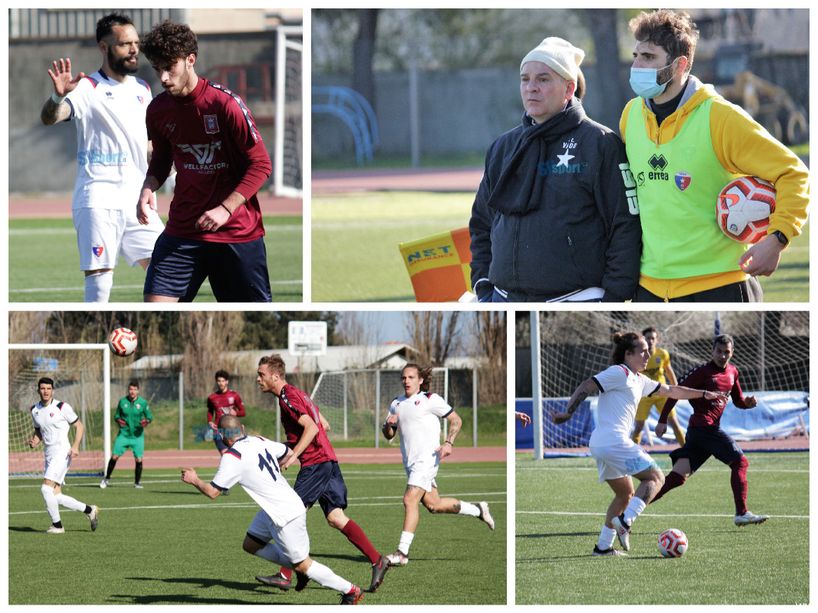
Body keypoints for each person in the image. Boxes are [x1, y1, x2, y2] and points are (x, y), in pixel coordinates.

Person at [621, 9, 810, 302]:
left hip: (721, 285)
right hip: (649, 287)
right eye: (636, 55)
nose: (636, 65)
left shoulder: (721, 118)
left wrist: (778, 239)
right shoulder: (630, 115)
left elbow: (794, 173)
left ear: (679, 64)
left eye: (648, 57)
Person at [469, 37, 641, 302]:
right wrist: (482, 284)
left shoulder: (600, 144)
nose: (531, 88)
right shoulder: (503, 147)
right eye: (525, 79)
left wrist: (613, 298)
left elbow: (625, 226)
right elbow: (482, 223)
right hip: (502, 299)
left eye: (543, 79)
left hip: (576, 300)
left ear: (569, 88)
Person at [551, 332, 725, 555]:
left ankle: (603, 547)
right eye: (642, 351)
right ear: (628, 354)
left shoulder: (639, 380)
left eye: (648, 350)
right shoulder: (619, 372)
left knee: (625, 494)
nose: (647, 354)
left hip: (602, 443)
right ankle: (625, 522)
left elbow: (672, 390)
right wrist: (567, 412)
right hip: (613, 441)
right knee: (657, 477)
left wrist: (703, 394)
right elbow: (588, 385)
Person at [137, 20, 273, 302]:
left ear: (190, 60)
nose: (162, 78)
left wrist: (225, 209)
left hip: (235, 233)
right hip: (182, 232)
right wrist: (150, 184)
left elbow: (261, 165)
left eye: (169, 67)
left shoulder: (225, 105)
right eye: (156, 69)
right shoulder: (158, 110)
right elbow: (163, 157)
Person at [40, 12, 164, 302]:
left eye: (136, 42)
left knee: (167, 272)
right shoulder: (87, 88)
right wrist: (58, 97)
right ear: (104, 47)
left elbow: (144, 145)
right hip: (99, 199)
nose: (134, 49)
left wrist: (168, 162)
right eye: (125, 44)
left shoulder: (143, 90)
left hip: (138, 203)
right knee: (100, 285)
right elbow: (52, 117)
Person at [181, 415, 363, 604]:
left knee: (303, 565)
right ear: (242, 428)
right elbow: (286, 452)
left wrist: (194, 480)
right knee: (251, 544)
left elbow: (212, 492)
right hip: (274, 508)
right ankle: (298, 569)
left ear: (223, 435)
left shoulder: (232, 456)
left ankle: (350, 590)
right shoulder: (258, 440)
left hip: (285, 514)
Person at [255, 355, 389, 593]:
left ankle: (287, 573)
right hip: (328, 461)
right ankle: (377, 559)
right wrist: (283, 447)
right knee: (336, 517)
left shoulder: (287, 397)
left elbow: (313, 427)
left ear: (275, 376)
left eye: (261, 374)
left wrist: (294, 454)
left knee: (287, 514)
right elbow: (324, 425)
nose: (258, 379)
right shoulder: (299, 394)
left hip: (316, 465)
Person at [381, 364, 495, 566]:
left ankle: (401, 553)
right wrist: (388, 425)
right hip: (410, 463)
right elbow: (389, 435)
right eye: (404, 378)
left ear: (420, 380)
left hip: (427, 460)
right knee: (434, 505)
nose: (406, 381)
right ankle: (478, 509)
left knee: (409, 500)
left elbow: (456, 420)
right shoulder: (396, 403)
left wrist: (449, 443)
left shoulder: (430, 399)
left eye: (411, 377)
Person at [650, 334, 769, 526]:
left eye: (726, 352)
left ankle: (629, 510)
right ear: (712, 351)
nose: (722, 356)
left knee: (676, 478)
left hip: (703, 432)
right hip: (702, 427)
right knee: (740, 462)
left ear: (732, 352)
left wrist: (746, 403)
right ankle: (742, 512)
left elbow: (738, 400)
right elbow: (675, 391)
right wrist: (662, 420)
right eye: (719, 351)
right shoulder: (702, 372)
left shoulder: (733, 372)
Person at [27, 377, 99, 533]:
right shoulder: (34, 410)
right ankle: (89, 510)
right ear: (38, 390)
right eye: (42, 388)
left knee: (46, 489)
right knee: (56, 495)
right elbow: (39, 431)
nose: (45, 391)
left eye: (48, 388)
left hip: (63, 452)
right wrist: (35, 441)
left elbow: (79, 426)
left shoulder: (62, 407)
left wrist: (75, 446)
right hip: (49, 455)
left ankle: (57, 526)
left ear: (53, 390)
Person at [631, 327, 685, 446]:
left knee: (674, 423)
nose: (650, 341)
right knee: (638, 427)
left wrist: (676, 389)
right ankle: (632, 454)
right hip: (644, 396)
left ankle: (687, 451)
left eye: (653, 338)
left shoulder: (662, 354)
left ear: (657, 340)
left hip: (662, 394)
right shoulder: (637, 356)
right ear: (643, 340)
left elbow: (669, 372)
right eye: (647, 338)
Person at [100, 380, 153, 488]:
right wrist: (118, 420)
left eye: (134, 389)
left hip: (137, 436)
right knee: (114, 456)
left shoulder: (142, 403)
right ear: (128, 390)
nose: (132, 391)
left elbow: (149, 417)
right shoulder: (122, 402)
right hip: (123, 435)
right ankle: (106, 479)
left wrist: (146, 421)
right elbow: (116, 416)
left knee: (139, 459)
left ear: (138, 390)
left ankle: (137, 483)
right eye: (130, 389)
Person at [206, 370, 246, 455]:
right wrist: (209, 421)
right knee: (225, 454)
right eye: (219, 381)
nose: (221, 383)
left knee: (238, 454)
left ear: (227, 381)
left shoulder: (234, 395)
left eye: (223, 381)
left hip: (233, 430)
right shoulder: (212, 398)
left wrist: (236, 413)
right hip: (218, 430)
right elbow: (210, 411)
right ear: (216, 382)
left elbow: (243, 412)